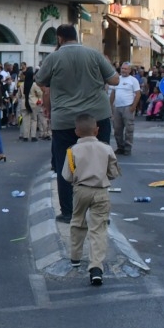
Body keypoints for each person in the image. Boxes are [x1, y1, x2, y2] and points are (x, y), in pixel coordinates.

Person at [35, 24, 118, 223]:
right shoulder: (94, 55)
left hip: (65, 119)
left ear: (59, 38)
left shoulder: (53, 58)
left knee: (66, 165)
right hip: (96, 117)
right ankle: (100, 213)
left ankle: (68, 212)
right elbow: (114, 80)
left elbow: (40, 81)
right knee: (98, 163)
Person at [65, 114, 120, 286]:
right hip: (101, 192)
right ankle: (96, 267)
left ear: (76, 132)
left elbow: (68, 175)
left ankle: (75, 257)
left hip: (80, 190)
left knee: (77, 222)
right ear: (97, 130)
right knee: (98, 228)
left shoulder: (71, 150)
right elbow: (113, 173)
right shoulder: (106, 149)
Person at [109, 61, 141, 155]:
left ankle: (127, 148)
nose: (123, 70)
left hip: (128, 107)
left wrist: (133, 107)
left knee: (129, 129)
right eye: (122, 68)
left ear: (130, 70)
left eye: (126, 69)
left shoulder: (133, 80)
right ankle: (120, 147)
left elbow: (138, 94)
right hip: (117, 107)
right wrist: (110, 105)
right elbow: (113, 93)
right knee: (117, 129)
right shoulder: (117, 79)